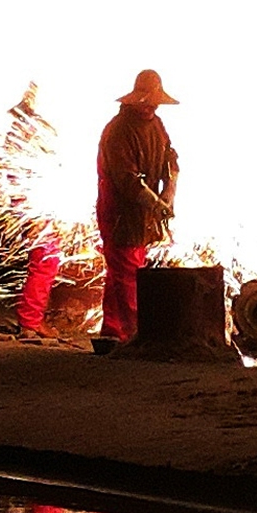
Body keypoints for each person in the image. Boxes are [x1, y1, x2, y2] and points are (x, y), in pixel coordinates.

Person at [96, 69, 179, 347]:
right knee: (128, 272)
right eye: (148, 101)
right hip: (119, 211)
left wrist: (168, 195)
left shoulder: (156, 125)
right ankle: (134, 334)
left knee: (123, 269)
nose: (152, 106)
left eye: (155, 102)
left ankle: (112, 328)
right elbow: (127, 180)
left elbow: (171, 161)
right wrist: (156, 204)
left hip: (142, 213)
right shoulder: (118, 130)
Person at [5, 82, 62, 343]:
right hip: (33, 201)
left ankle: (31, 318)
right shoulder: (27, 130)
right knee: (45, 260)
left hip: (32, 199)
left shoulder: (23, 128)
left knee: (46, 260)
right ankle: (30, 322)